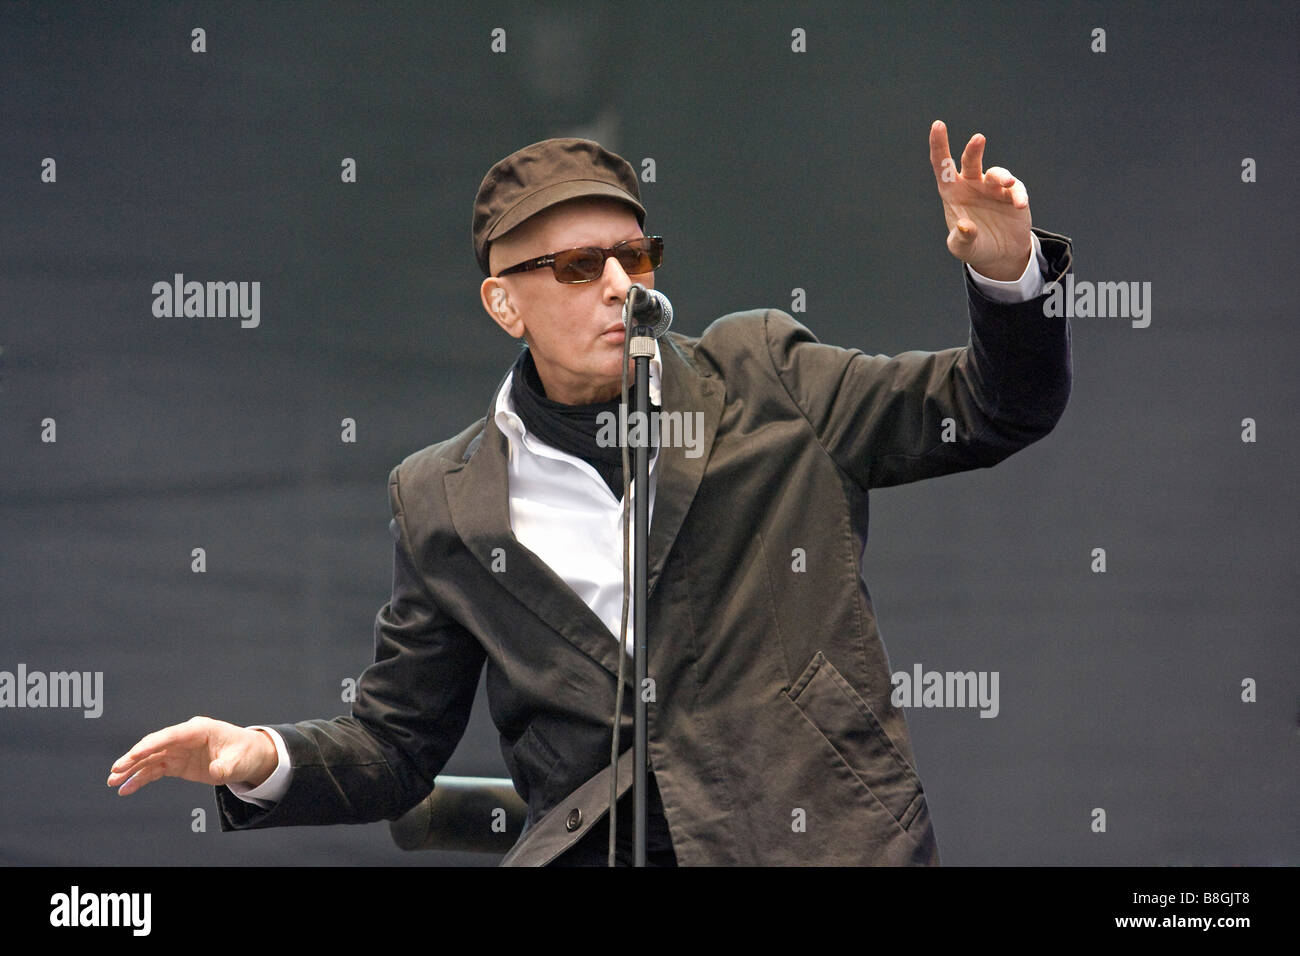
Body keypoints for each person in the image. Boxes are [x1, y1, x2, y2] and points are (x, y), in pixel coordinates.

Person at [108, 125, 1073, 865]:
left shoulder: (765, 374)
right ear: (503, 303)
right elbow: (396, 743)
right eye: (576, 267)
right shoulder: (443, 499)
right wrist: (262, 757)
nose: (618, 284)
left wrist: (1005, 275)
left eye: (635, 255)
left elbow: (993, 409)